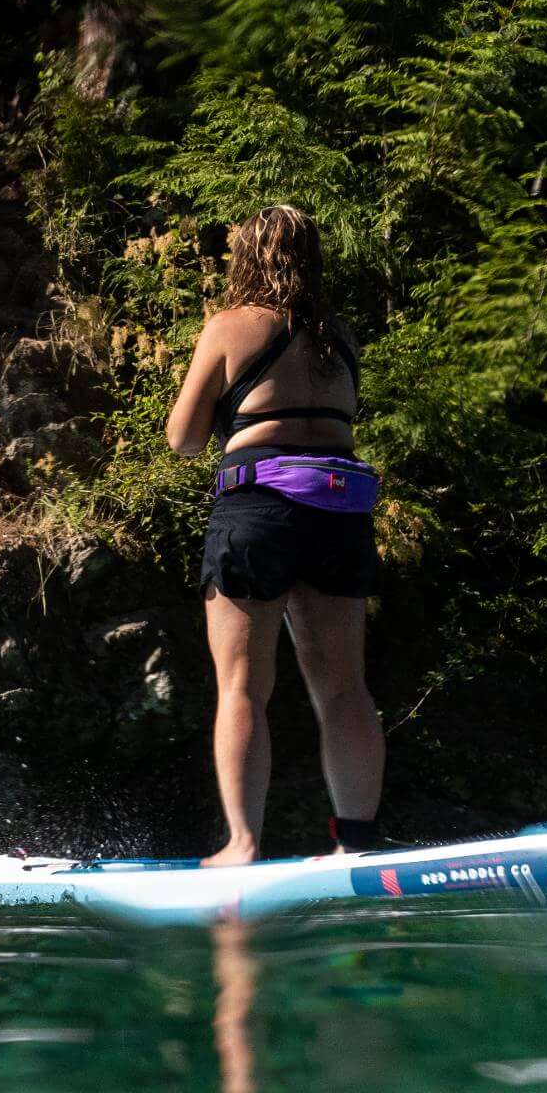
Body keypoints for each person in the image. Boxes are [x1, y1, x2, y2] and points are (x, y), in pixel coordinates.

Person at [163, 204, 381, 868]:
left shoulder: (230, 326)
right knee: (344, 685)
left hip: (258, 508)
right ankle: (357, 842)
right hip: (338, 509)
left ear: (246, 258)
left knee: (242, 685)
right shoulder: (337, 335)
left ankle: (243, 845)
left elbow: (183, 439)